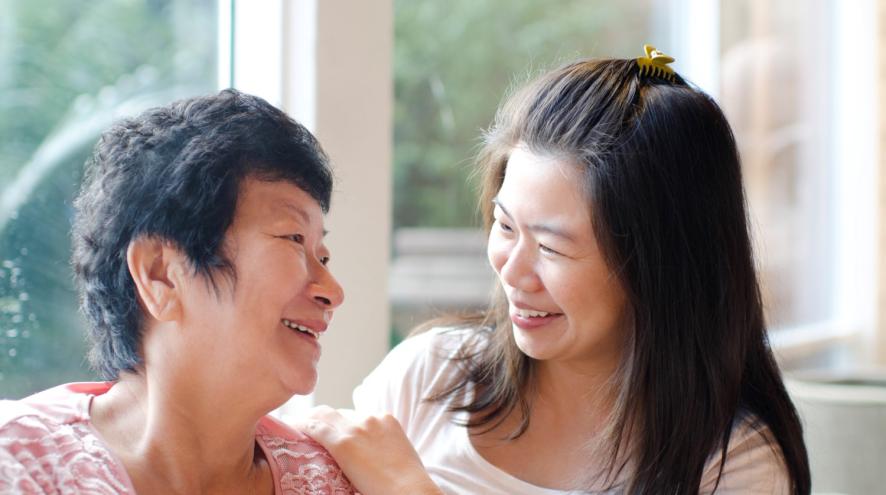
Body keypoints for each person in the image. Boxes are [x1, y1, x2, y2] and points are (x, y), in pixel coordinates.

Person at [301, 47, 811, 494]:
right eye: (505, 226)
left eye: (551, 248)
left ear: (660, 269)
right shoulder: (426, 377)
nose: (513, 272)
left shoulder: (732, 464)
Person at [0, 89, 356, 494]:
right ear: (161, 274)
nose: (332, 291)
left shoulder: (334, 481)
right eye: (294, 238)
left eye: (323, 257)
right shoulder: (18, 464)